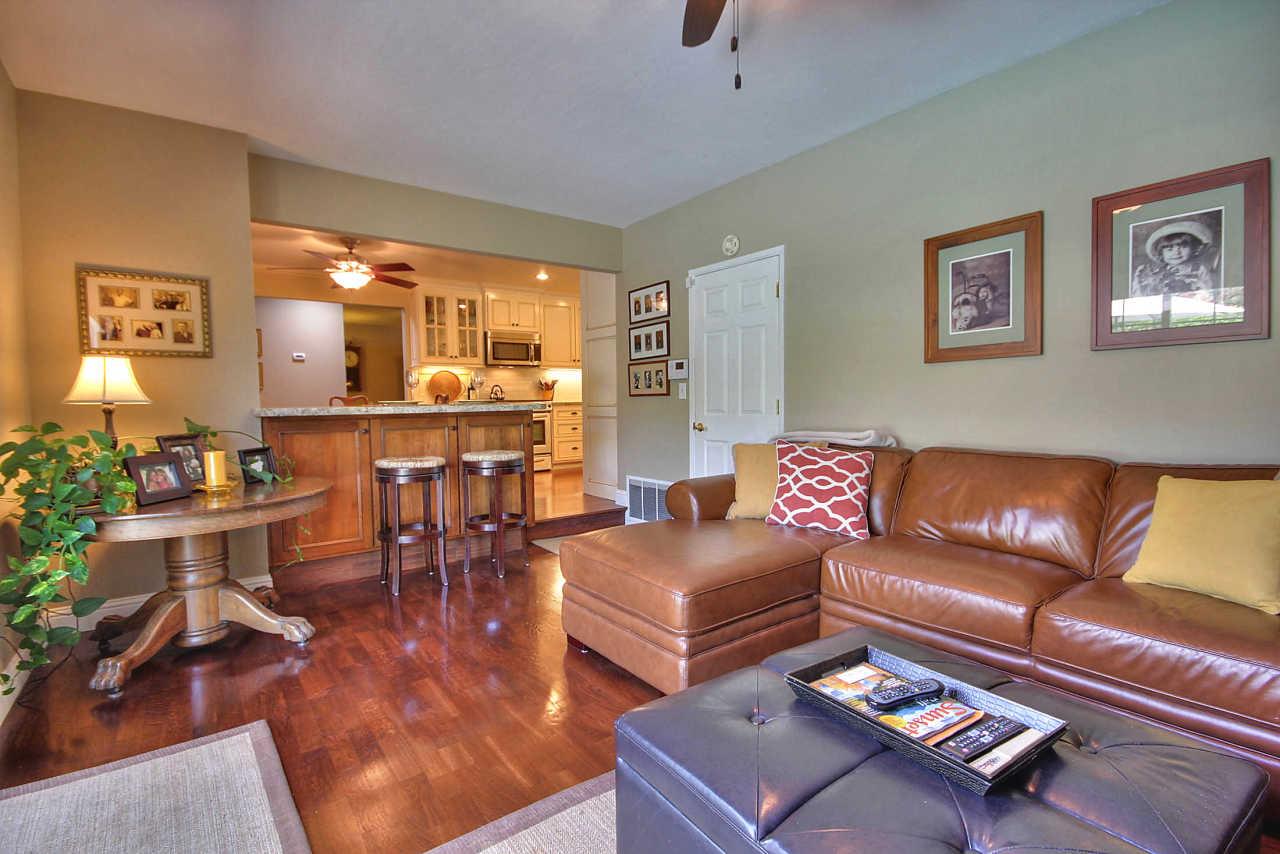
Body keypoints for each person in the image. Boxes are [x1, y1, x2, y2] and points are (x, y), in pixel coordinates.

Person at [1131, 220, 1217, 296]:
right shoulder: (1151, 272)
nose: (1176, 252)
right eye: (1169, 249)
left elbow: (1207, 291)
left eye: (1183, 247)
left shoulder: (1199, 270)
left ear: (1194, 248)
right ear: (1161, 252)